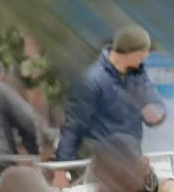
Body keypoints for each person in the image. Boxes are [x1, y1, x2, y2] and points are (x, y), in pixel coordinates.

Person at [55, 25, 166, 162]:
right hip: (99, 163)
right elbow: (74, 127)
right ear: (130, 51)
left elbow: (156, 106)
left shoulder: (138, 76)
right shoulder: (91, 81)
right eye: (144, 51)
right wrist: (62, 167)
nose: (147, 56)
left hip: (131, 160)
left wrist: (157, 115)